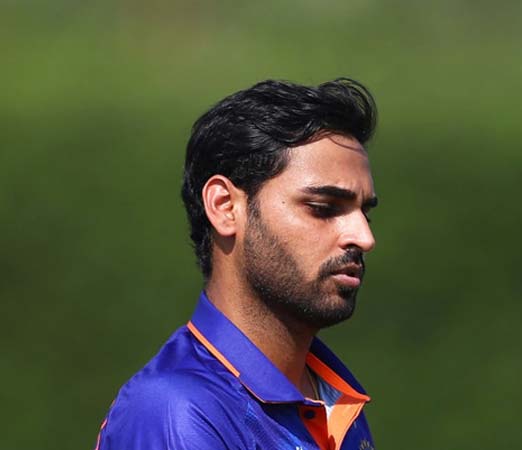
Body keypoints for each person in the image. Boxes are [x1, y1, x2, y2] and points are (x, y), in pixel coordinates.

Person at [95, 78, 379, 450]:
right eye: (323, 208)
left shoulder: (334, 396)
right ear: (225, 207)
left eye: (364, 212)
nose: (364, 237)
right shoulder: (177, 413)